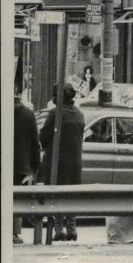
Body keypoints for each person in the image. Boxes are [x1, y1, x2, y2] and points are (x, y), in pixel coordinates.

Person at [39, 84, 85, 242]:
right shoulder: (79, 114)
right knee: (71, 195)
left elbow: (43, 136)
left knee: (56, 195)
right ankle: (72, 227)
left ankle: (59, 228)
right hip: (74, 163)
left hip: (56, 162)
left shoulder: (55, 114)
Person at [13, 89, 41, 244]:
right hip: (22, 166)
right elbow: (35, 144)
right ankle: (15, 233)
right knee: (17, 199)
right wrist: (35, 166)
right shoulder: (28, 114)